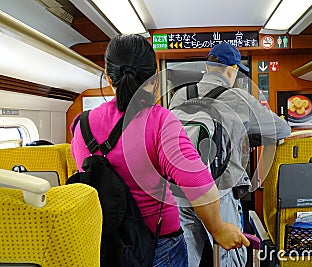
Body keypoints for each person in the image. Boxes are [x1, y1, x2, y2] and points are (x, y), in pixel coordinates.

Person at [70, 34, 249, 267]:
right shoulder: (160, 122)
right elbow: (200, 187)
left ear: (108, 77)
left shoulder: (81, 125)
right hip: (159, 243)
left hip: (103, 241)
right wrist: (219, 229)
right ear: (154, 80)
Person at [169, 42, 291, 266]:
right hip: (220, 190)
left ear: (208, 68)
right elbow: (282, 129)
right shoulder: (238, 97)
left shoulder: (180, 96)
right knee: (229, 252)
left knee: (187, 257)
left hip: (180, 191)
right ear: (232, 69)